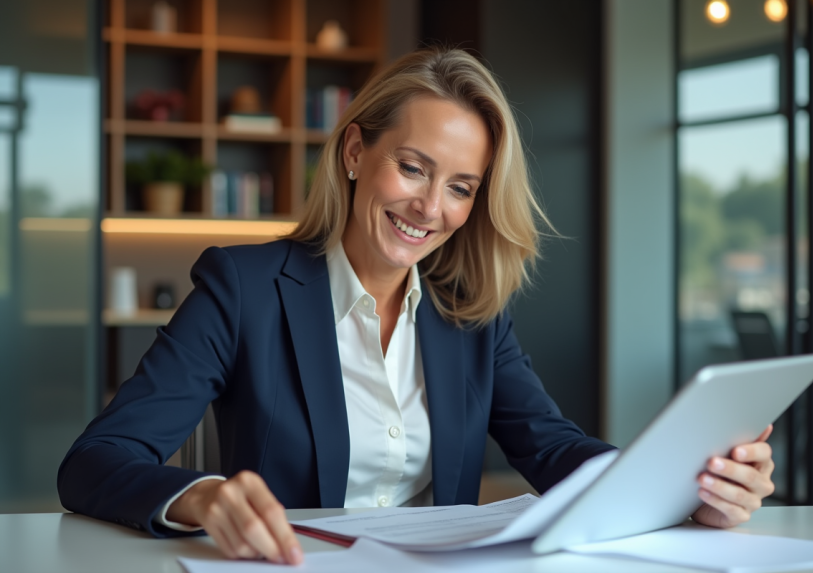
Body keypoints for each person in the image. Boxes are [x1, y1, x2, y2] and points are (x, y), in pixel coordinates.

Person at [58, 48, 775, 566]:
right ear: (353, 153)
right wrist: (205, 498)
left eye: (462, 187)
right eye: (412, 167)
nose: (431, 208)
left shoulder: (472, 314)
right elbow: (96, 460)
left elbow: (554, 448)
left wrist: (686, 491)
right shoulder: (244, 287)